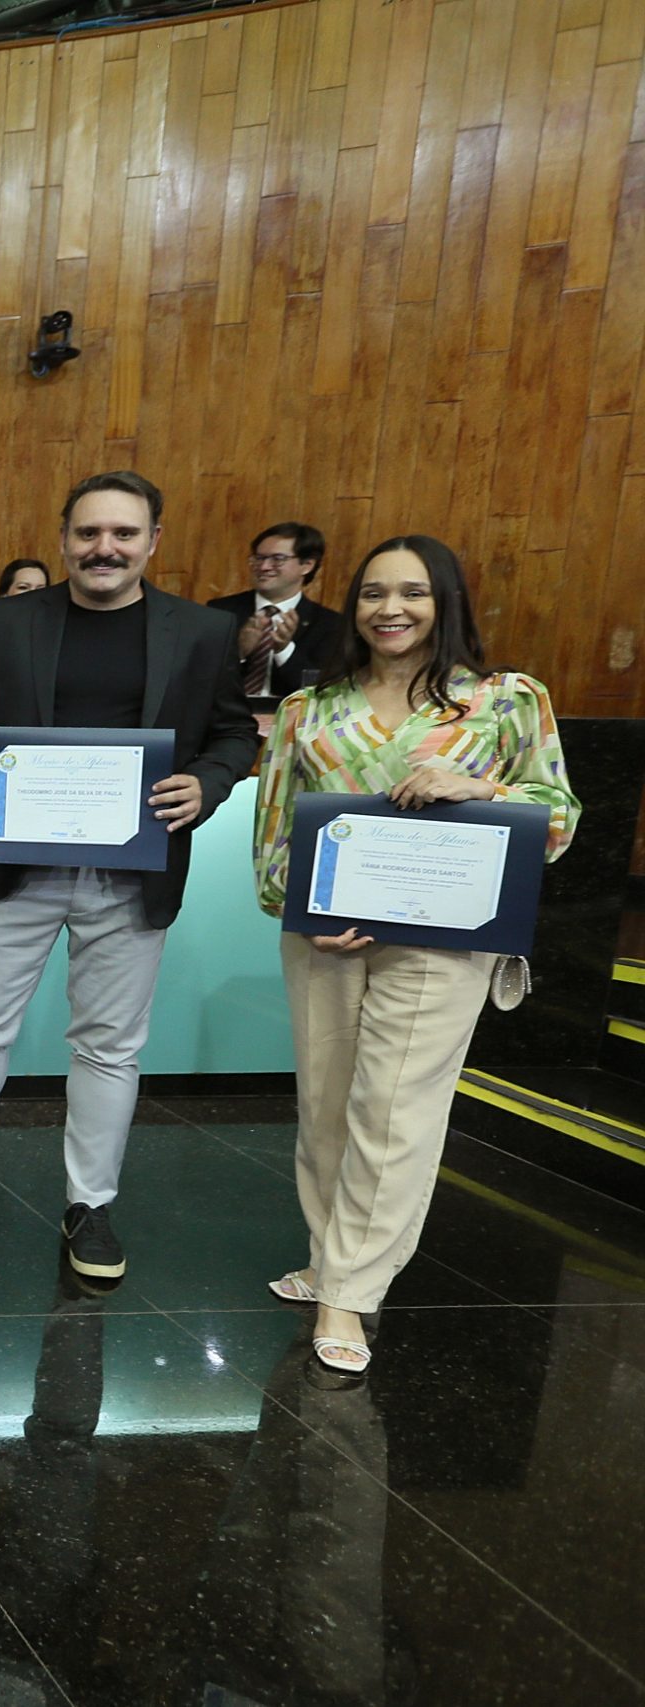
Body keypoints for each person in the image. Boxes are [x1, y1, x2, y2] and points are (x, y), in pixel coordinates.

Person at [0, 471, 260, 1285]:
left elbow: (235, 734)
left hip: (134, 870)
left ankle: (91, 1202)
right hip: (15, 863)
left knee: (109, 1046)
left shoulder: (201, 631)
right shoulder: (9, 619)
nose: (105, 548)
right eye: (89, 533)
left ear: (153, 541)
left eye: (124, 533)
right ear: (64, 540)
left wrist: (208, 783)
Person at [252, 536, 578, 1373]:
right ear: (351, 605)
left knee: (394, 1112)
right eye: (373, 593)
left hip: (445, 943)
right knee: (326, 1105)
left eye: (413, 592)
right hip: (327, 938)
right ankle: (330, 1256)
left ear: (446, 602)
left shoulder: (505, 701)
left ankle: (349, 1292)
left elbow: (559, 816)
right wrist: (297, 909)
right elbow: (275, 832)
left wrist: (485, 787)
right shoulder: (308, 708)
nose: (390, 608)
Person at [208, 522, 348, 700]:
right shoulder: (221, 611)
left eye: (277, 559)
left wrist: (284, 650)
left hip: (290, 714)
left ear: (307, 565)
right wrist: (239, 652)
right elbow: (201, 678)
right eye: (259, 558)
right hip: (227, 712)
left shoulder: (330, 623)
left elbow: (321, 692)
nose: (264, 567)